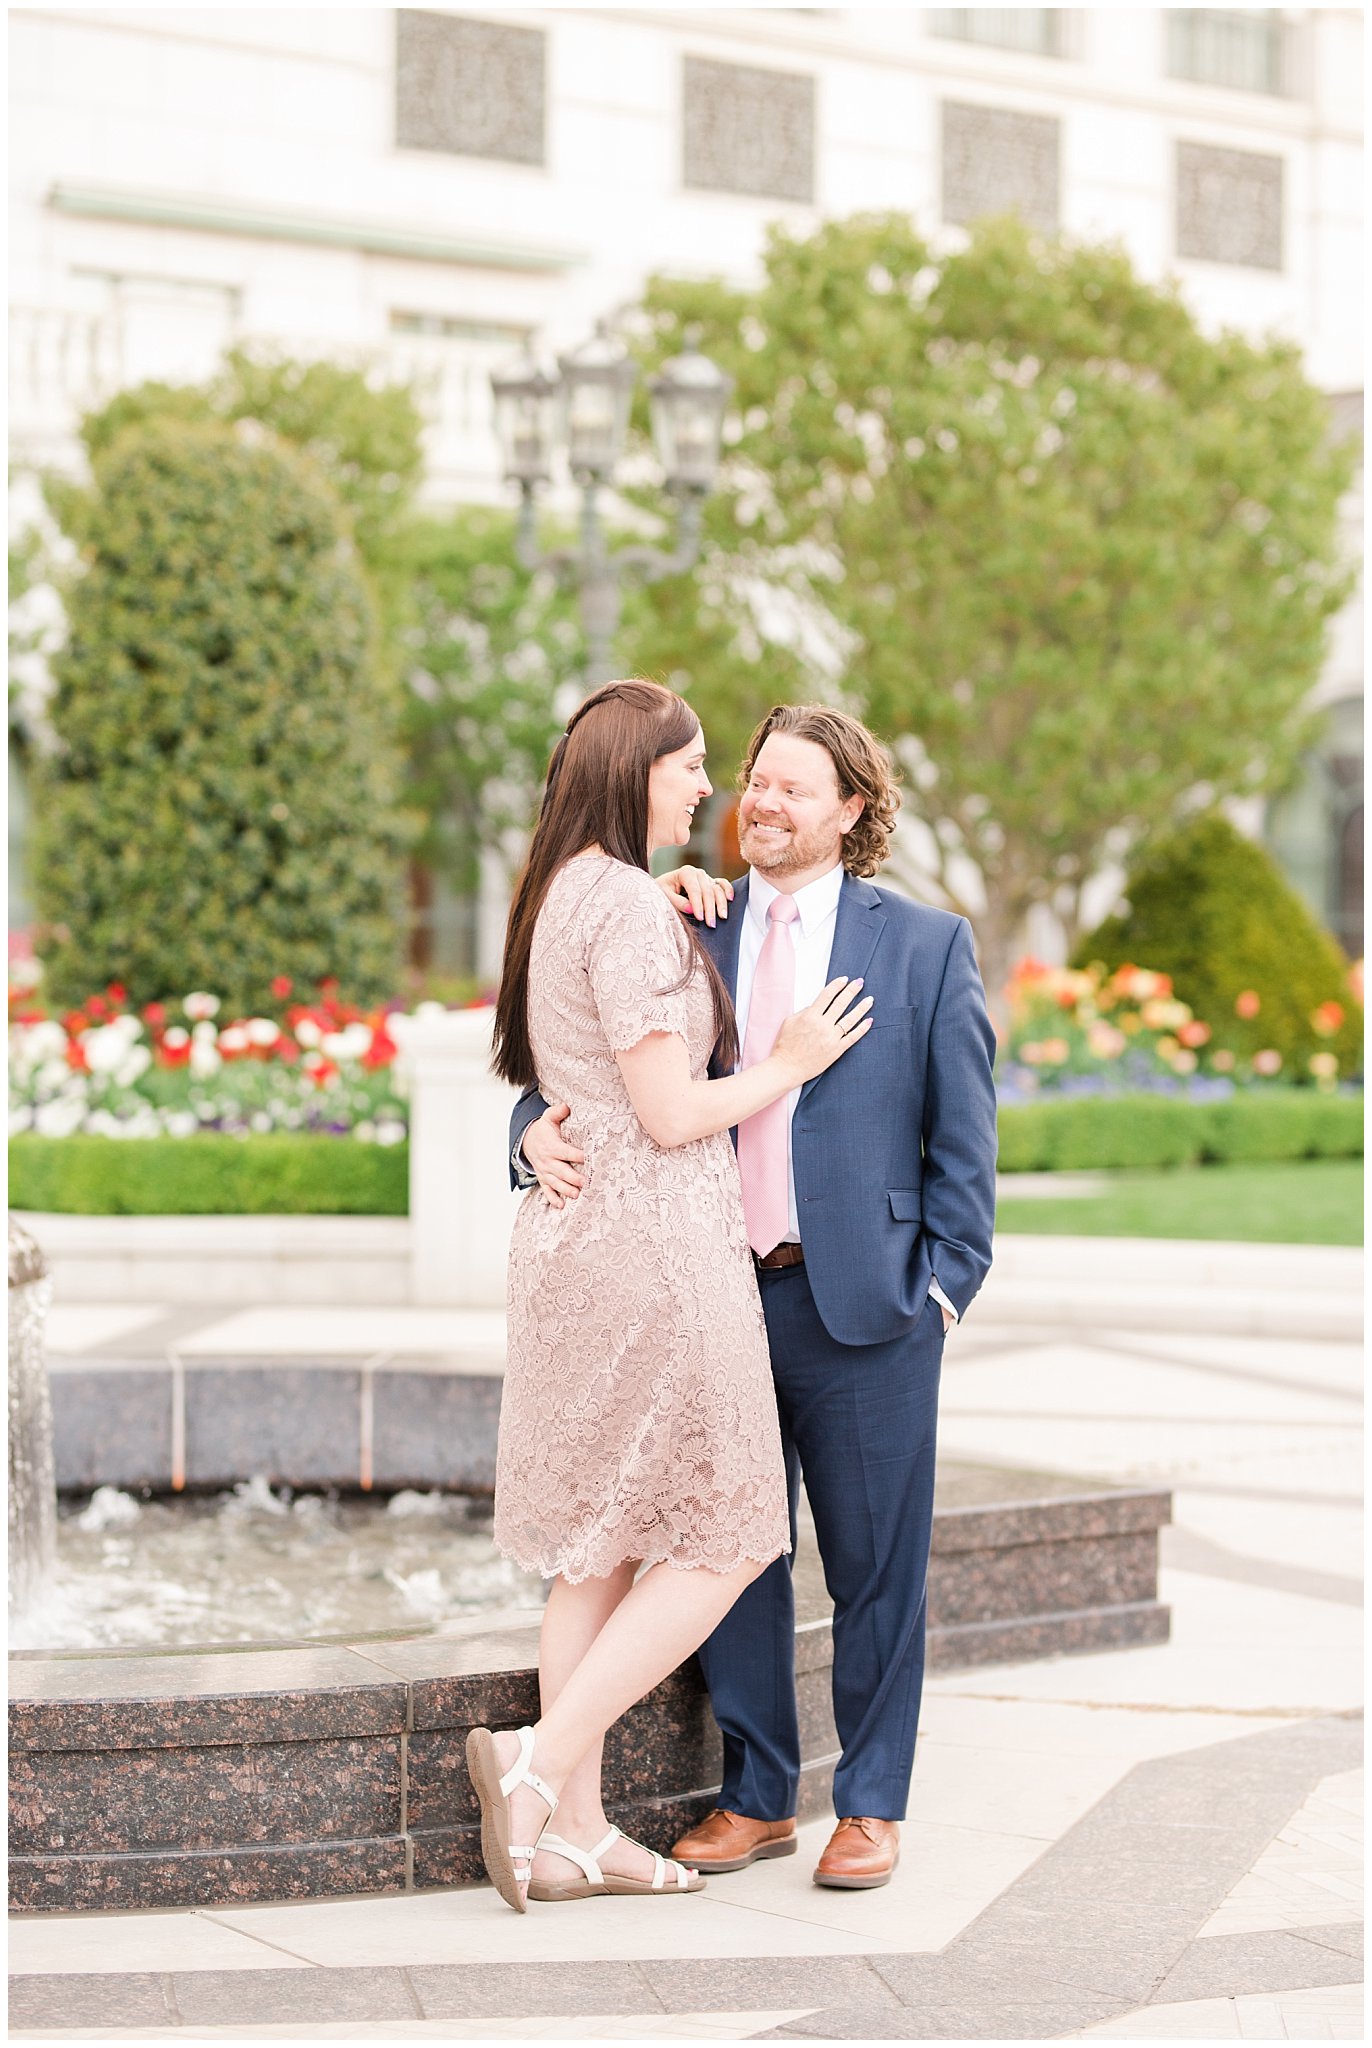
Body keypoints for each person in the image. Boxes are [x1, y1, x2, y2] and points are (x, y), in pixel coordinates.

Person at [514, 703, 997, 1891]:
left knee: (875, 1559)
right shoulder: (686, 920)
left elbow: (966, 1136)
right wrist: (532, 1134)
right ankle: (758, 1792)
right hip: (706, 1294)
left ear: (850, 809)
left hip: (869, 1305)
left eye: (794, 787)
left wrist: (941, 1286)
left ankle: (871, 1800)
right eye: (751, 779)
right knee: (725, 1545)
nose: (762, 802)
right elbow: (579, 1062)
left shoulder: (922, 945)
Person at [471, 679, 873, 1914]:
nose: (711, 785)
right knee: (736, 1526)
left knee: (597, 1542)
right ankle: (536, 1770)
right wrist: (789, 1062)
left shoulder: (568, 894)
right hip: (656, 1260)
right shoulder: (636, 913)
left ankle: (574, 1834)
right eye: (691, 763)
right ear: (636, 769)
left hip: (576, 1252)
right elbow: (669, 1110)